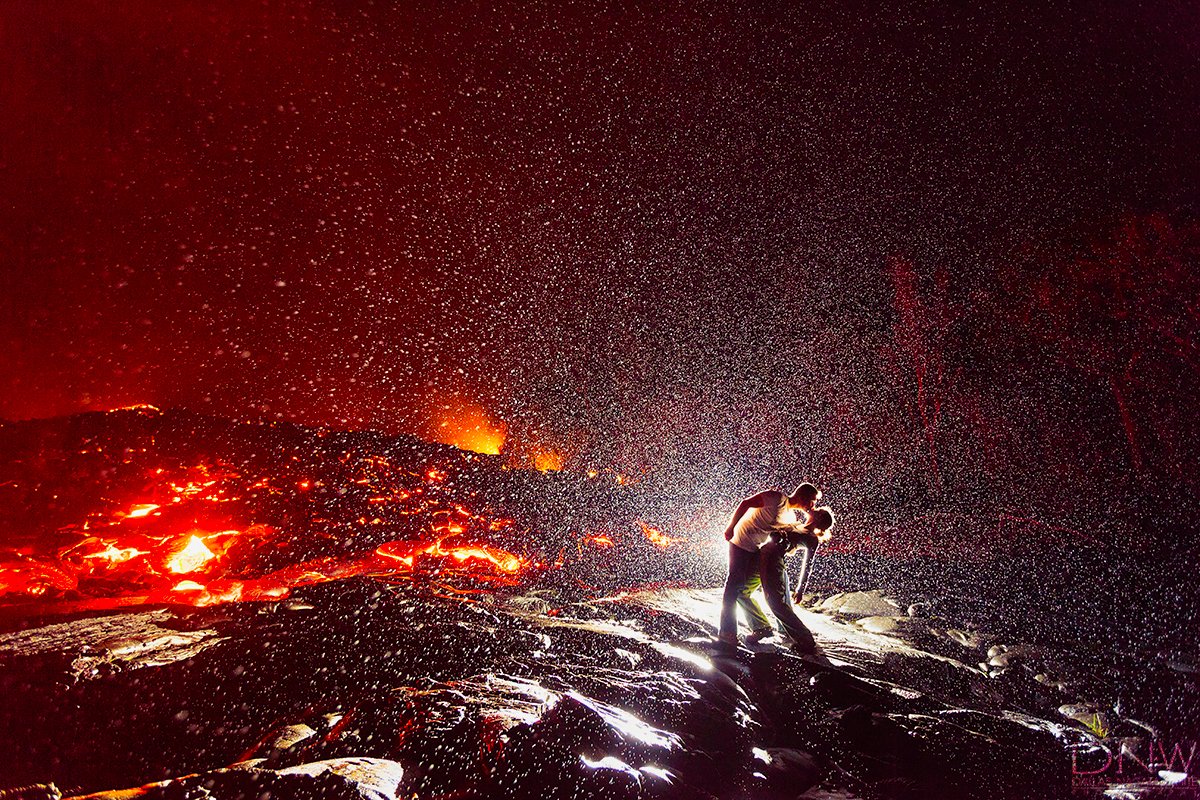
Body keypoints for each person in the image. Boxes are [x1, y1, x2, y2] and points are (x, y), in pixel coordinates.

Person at [718, 483, 821, 652]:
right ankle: (727, 632)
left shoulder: (791, 518)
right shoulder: (776, 498)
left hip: (756, 550)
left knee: (744, 591)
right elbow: (746, 503)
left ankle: (763, 627)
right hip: (740, 541)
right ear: (803, 496)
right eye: (812, 501)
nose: (813, 506)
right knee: (734, 586)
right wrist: (730, 527)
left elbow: (790, 539)